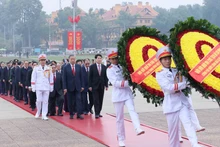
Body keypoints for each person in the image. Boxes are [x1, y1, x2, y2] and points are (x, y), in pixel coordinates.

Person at [155, 46, 201, 147]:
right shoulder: (159, 74)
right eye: (165, 59)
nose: (168, 61)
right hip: (171, 105)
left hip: (181, 102)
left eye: (169, 58)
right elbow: (168, 88)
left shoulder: (177, 70)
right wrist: (183, 85)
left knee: (188, 123)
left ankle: (195, 144)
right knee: (173, 132)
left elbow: (186, 81)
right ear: (161, 61)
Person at [106, 48, 145, 147]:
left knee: (132, 110)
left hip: (127, 93)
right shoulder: (109, 70)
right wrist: (130, 82)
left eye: (116, 58)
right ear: (109, 60)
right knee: (119, 118)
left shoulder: (123, 66)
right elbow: (115, 83)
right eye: (113, 59)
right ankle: (121, 139)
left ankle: (137, 128)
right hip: (118, 95)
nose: (115, 60)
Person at [31, 54, 54, 120]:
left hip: (46, 86)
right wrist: (33, 86)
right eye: (41, 60)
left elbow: (51, 78)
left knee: (45, 101)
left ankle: (44, 114)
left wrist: (51, 86)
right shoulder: (36, 68)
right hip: (38, 86)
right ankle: (38, 112)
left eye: (44, 60)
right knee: (39, 100)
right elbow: (33, 78)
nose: (43, 61)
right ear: (39, 61)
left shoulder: (49, 68)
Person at [63, 55, 84, 120]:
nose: (73, 60)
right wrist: (65, 87)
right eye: (71, 59)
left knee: (78, 100)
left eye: (74, 59)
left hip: (77, 87)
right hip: (69, 87)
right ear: (69, 59)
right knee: (70, 101)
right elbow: (64, 78)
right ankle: (71, 114)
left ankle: (79, 114)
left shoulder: (78, 66)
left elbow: (81, 77)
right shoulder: (66, 67)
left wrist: (82, 86)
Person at [89, 54, 108, 119]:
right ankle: (96, 113)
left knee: (100, 99)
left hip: (101, 85)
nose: (99, 59)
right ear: (95, 59)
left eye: (100, 58)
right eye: (98, 58)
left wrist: (106, 85)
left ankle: (99, 112)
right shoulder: (92, 67)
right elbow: (89, 77)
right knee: (96, 99)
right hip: (94, 86)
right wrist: (90, 86)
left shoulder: (104, 67)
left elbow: (105, 77)